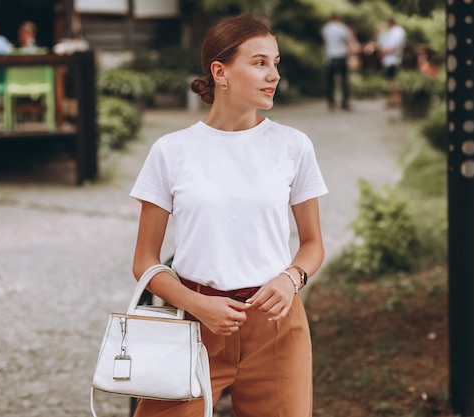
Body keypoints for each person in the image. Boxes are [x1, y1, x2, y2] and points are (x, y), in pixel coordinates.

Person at [130, 13, 328, 417]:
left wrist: (292, 279)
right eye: (259, 62)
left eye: (275, 62)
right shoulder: (172, 151)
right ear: (220, 72)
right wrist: (197, 306)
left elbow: (312, 245)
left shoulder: (294, 146)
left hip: (277, 327)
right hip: (193, 324)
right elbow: (144, 262)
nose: (273, 74)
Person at [321, 13, 351, 111]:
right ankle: (344, 102)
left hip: (330, 57)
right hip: (341, 56)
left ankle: (331, 102)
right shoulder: (342, 28)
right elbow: (347, 41)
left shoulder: (326, 28)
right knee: (343, 81)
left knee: (330, 82)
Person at [377, 17, 406, 107]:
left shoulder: (397, 32)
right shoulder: (396, 31)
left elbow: (394, 46)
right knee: (392, 80)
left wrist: (384, 53)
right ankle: (393, 99)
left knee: (392, 81)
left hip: (393, 59)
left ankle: (396, 100)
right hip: (392, 58)